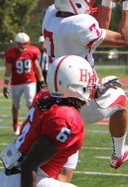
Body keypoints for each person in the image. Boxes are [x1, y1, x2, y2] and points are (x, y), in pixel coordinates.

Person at [42, 0, 128, 172]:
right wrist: (127, 1)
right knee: (120, 97)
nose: (91, 5)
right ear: (75, 2)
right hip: (81, 101)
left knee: (63, 172)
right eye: (88, 0)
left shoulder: (51, 14)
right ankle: (118, 154)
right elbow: (123, 39)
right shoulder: (78, 25)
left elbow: (97, 29)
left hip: (55, 99)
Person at [0, 55, 97, 187]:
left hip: (10, 174)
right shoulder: (67, 117)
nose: (91, 86)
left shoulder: (45, 95)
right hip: (26, 178)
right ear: (75, 85)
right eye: (87, 81)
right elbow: (29, 164)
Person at [3, 32, 46, 135]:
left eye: (24, 44)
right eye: (20, 44)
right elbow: (8, 70)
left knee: (30, 102)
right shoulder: (10, 53)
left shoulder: (32, 51)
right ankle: (15, 125)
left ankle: (35, 124)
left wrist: (41, 80)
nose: (22, 46)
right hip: (16, 83)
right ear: (15, 43)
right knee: (16, 105)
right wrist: (5, 86)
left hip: (29, 81)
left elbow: (36, 67)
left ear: (29, 43)